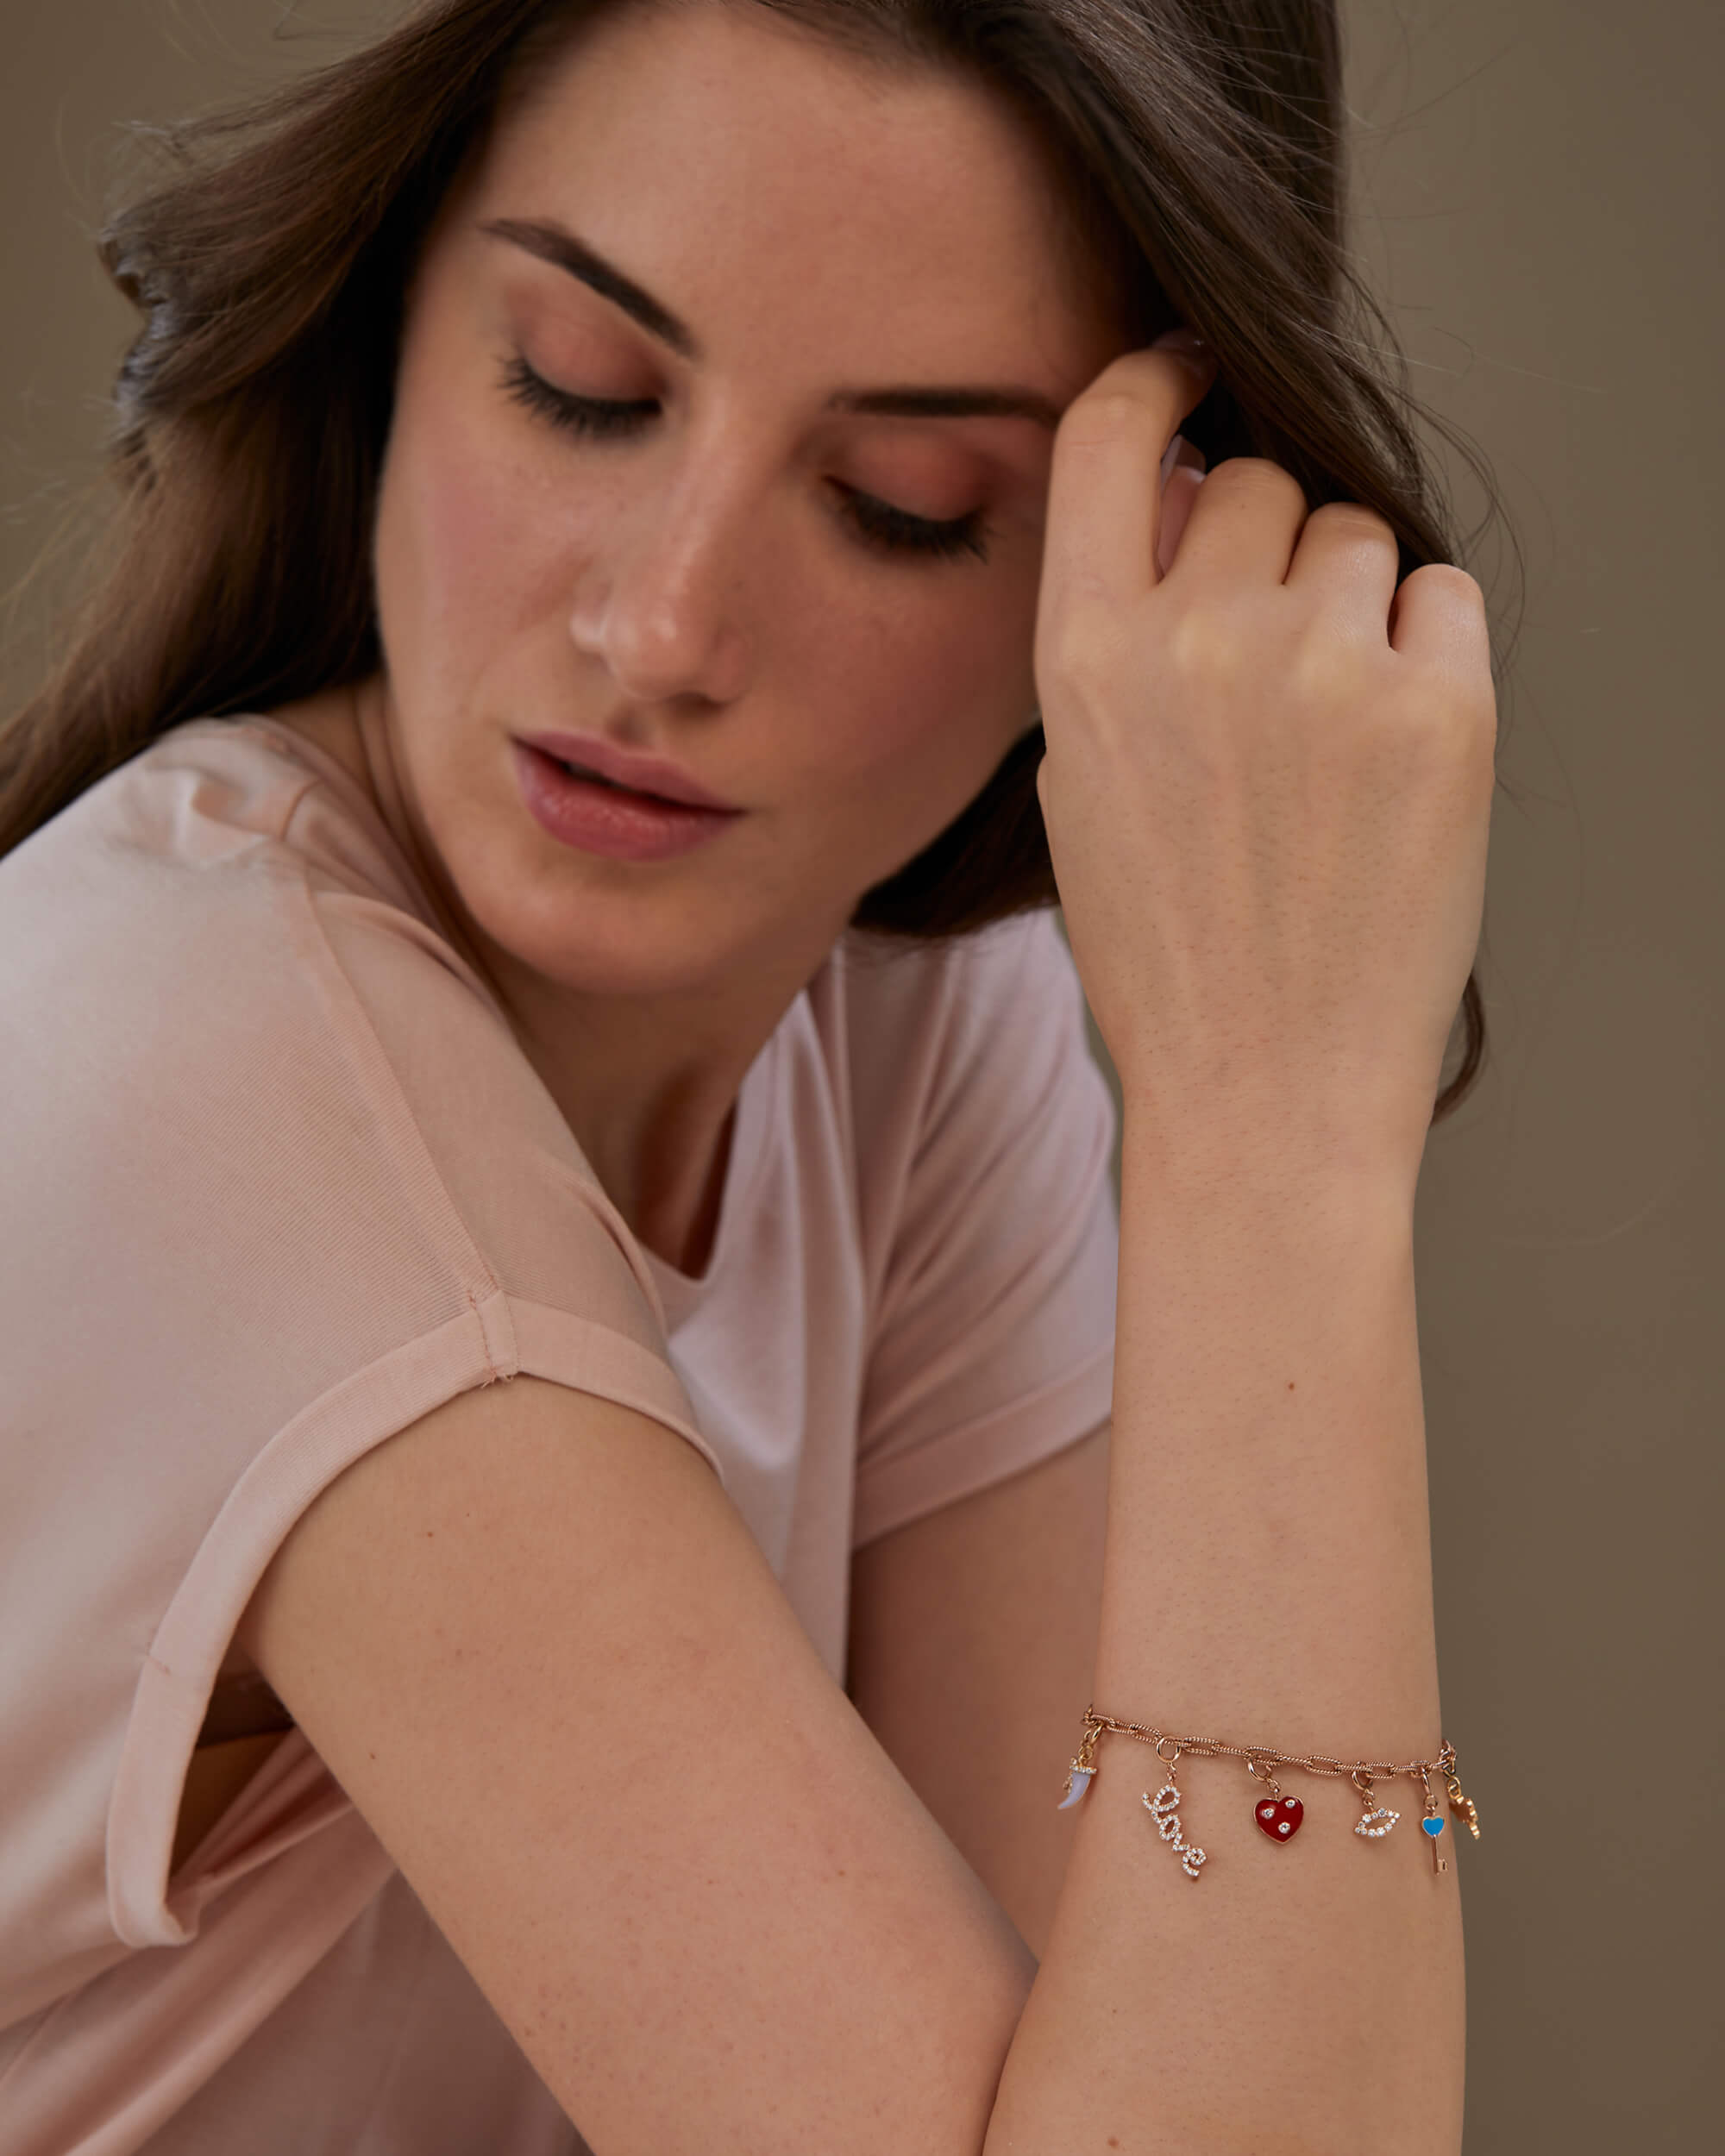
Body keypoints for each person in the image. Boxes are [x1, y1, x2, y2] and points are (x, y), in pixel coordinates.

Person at [0, 0, 1498, 2147]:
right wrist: (1282, 1141)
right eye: (581, 387)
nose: (665, 629)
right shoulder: (217, 1068)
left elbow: (1141, 2071)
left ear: (1137, 556)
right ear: (399, 306)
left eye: (901, 505)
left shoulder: (906, 1014)